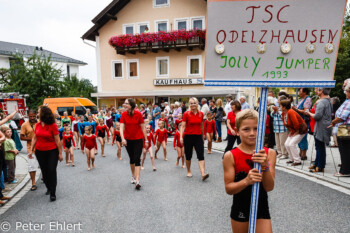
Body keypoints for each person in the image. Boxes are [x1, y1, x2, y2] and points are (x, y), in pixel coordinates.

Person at [222, 109, 276, 233]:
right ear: (237, 131)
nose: (252, 133)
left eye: (256, 128)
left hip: (261, 206)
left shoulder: (270, 153)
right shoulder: (230, 155)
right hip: (241, 207)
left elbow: (269, 187)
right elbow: (229, 189)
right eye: (246, 129)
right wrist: (246, 181)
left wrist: (265, 166)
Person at [28, 106, 63, 202]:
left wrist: (60, 153)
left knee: (51, 170)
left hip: (52, 151)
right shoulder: (38, 125)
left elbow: (57, 140)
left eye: (38, 112)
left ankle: (53, 193)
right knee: (44, 171)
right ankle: (48, 186)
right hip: (40, 151)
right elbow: (35, 138)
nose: (37, 114)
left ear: (43, 114)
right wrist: (31, 150)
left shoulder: (53, 125)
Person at [120, 98, 148, 190]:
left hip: (138, 139)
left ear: (131, 105)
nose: (125, 104)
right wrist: (123, 139)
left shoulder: (138, 114)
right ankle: (133, 175)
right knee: (132, 159)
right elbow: (121, 127)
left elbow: (143, 128)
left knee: (137, 159)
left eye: (126, 103)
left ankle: (137, 180)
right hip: (128, 140)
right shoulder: (123, 114)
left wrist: (146, 140)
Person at [180, 97, 209, 180]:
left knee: (201, 155)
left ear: (197, 104)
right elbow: (183, 126)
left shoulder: (201, 114)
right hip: (188, 136)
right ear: (189, 104)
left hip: (198, 136)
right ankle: (188, 171)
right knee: (188, 155)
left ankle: (203, 173)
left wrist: (203, 136)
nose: (193, 104)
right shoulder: (186, 114)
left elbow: (202, 126)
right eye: (191, 103)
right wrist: (181, 137)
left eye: (194, 103)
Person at [306, 88, 332, 173]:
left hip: (321, 127)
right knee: (319, 146)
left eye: (317, 89)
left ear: (321, 91)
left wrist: (309, 113)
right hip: (325, 125)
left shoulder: (321, 102)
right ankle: (317, 163)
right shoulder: (328, 100)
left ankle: (320, 166)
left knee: (320, 147)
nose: (315, 91)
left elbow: (317, 116)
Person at [330, 81, 350, 177]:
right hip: (345, 128)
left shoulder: (349, 102)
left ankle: (344, 171)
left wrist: (333, 122)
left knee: (344, 150)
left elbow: (342, 116)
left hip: (344, 129)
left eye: (346, 91)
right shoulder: (347, 101)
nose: (345, 92)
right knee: (346, 150)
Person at [281, 100, 307, 166]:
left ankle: (297, 160)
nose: (279, 107)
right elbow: (287, 124)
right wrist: (291, 131)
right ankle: (292, 159)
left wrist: (297, 131)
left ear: (284, 107)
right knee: (286, 144)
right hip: (294, 130)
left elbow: (296, 123)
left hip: (301, 130)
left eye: (280, 106)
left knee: (292, 144)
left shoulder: (291, 112)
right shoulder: (284, 113)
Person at [20, 109, 39, 191]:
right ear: (28, 116)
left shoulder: (39, 123)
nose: (32, 118)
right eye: (30, 116)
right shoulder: (24, 125)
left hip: (41, 147)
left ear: (36, 116)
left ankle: (44, 177)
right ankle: (33, 183)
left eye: (33, 116)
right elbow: (21, 137)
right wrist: (30, 138)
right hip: (30, 148)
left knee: (43, 165)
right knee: (32, 167)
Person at [292, 88, 312, 160]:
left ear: (305, 92)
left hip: (304, 122)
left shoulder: (308, 99)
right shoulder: (301, 100)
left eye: (300, 91)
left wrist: (296, 109)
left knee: (303, 137)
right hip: (299, 121)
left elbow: (306, 111)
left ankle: (304, 154)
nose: (299, 93)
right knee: (299, 137)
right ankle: (300, 153)